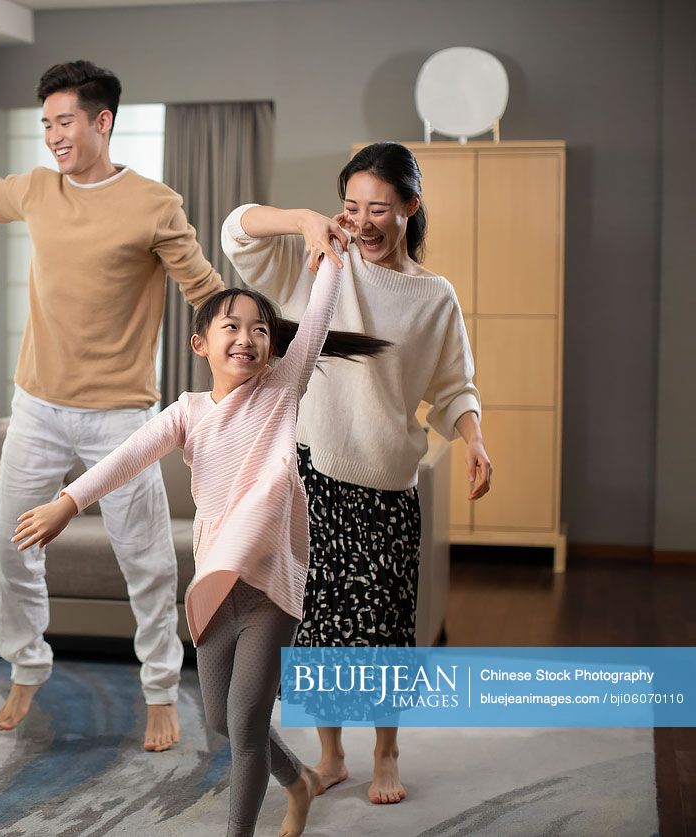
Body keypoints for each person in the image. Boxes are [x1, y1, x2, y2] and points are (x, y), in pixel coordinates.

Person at [0, 60, 224, 750]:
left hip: (120, 417)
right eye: (46, 125)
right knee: (14, 544)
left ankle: (159, 688)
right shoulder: (36, 189)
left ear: (101, 121)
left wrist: (246, 358)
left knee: (145, 560)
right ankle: (27, 665)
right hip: (35, 408)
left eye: (65, 122)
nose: (54, 136)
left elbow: (204, 292)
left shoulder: (154, 203)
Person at [12, 254, 388, 836]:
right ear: (200, 344)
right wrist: (68, 501)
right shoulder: (188, 412)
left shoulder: (281, 391)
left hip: (269, 585)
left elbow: (315, 318)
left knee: (244, 721)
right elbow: (128, 456)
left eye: (261, 329)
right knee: (221, 719)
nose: (248, 338)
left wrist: (330, 254)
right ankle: (301, 784)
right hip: (215, 582)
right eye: (231, 327)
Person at [222, 141, 493, 805]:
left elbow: (454, 384)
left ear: (410, 207)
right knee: (311, 620)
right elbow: (236, 226)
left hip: (382, 481)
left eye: (379, 208)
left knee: (379, 624)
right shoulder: (313, 260)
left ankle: (385, 752)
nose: (363, 220)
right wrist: (305, 221)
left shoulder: (433, 297)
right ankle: (331, 753)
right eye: (351, 206)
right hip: (305, 473)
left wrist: (474, 439)